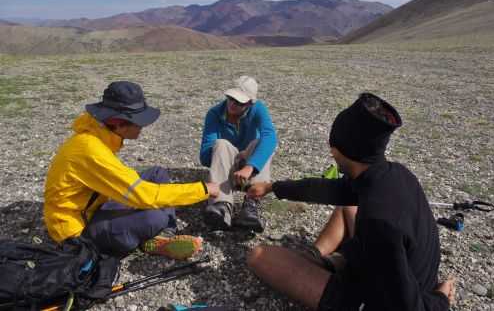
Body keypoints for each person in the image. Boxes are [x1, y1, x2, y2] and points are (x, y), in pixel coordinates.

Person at [246, 93, 455, 310]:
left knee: (259, 256)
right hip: (391, 270)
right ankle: (321, 258)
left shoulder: (378, 222)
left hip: (381, 300)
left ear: (337, 150)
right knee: (348, 204)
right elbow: (330, 190)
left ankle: (331, 265)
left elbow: (409, 307)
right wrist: (273, 187)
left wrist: (440, 299)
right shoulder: (395, 174)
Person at [44, 81, 219, 258]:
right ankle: (152, 235)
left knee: (158, 173)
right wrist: (204, 189)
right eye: (138, 122)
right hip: (77, 230)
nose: (142, 127)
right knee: (155, 217)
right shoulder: (90, 150)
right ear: (119, 123)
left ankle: (162, 236)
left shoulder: (98, 134)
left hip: (96, 204)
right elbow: (144, 195)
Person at [199, 76, 277, 232]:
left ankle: (252, 203)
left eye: (239, 102)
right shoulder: (214, 114)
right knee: (221, 144)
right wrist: (221, 152)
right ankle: (221, 205)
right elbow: (205, 158)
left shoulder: (258, 109)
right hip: (227, 168)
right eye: (230, 98)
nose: (232, 104)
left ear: (250, 103)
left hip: (250, 168)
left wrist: (250, 166)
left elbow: (270, 137)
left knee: (263, 142)